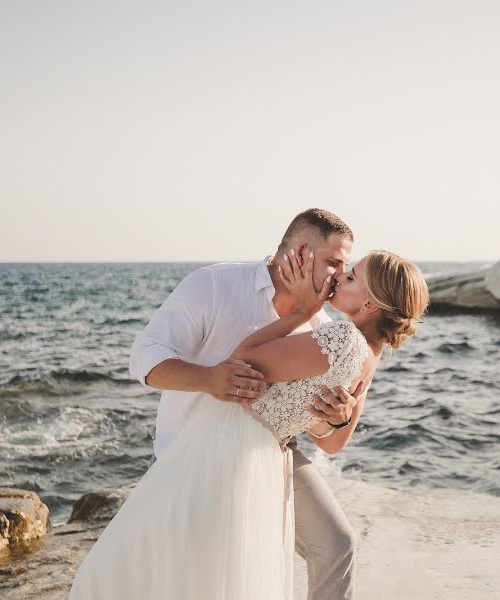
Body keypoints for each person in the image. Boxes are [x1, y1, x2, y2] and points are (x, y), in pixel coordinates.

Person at [68, 210, 429, 599]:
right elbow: (143, 358)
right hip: (195, 446)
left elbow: (310, 422)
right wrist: (208, 379)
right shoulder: (216, 284)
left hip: (274, 449)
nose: (339, 275)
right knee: (190, 571)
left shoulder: (325, 325)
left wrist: (337, 420)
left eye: (348, 270)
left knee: (335, 544)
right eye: (335, 264)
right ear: (302, 253)